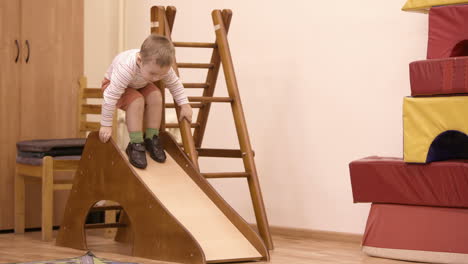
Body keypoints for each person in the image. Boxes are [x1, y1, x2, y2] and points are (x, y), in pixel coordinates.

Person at [98, 34, 192, 169]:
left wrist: (184, 104)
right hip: (111, 86)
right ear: (139, 60)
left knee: (156, 96)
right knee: (137, 100)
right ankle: (135, 144)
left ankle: (151, 138)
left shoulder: (158, 68)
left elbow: (174, 84)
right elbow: (110, 96)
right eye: (153, 74)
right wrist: (106, 124)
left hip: (139, 85)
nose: (156, 78)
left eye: (161, 75)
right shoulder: (126, 68)